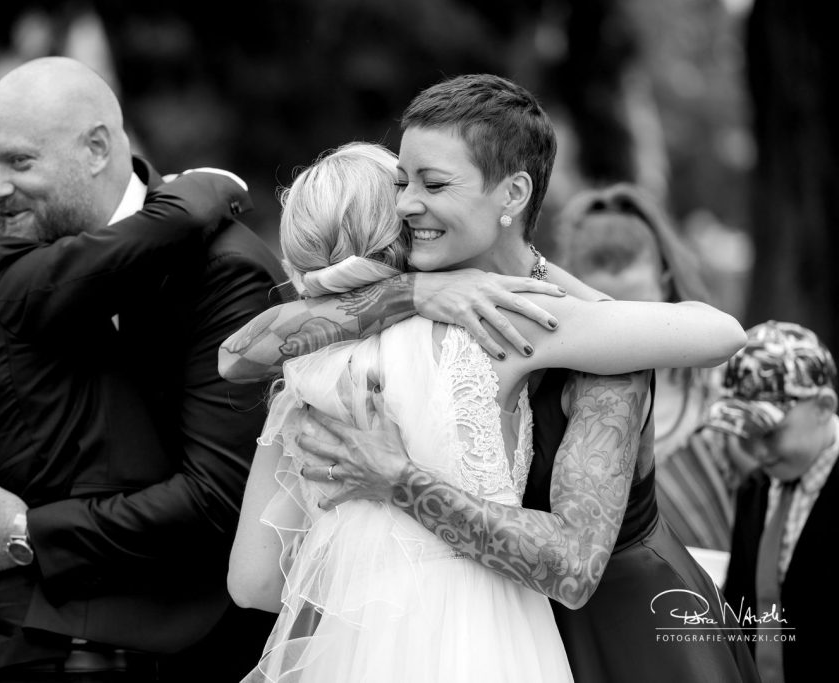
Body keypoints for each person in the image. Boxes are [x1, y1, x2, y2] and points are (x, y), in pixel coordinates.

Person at [221, 74, 759, 682]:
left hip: (629, 635)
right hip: (494, 627)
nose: (404, 205)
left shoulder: (564, 328)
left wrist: (398, 481)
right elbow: (235, 357)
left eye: (434, 184)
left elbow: (720, 333)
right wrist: (416, 291)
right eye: (401, 182)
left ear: (512, 195)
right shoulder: (406, 312)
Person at [0, 58, 282, 683]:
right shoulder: (19, 242)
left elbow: (219, 498)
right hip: (8, 638)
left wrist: (28, 532)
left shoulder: (222, 269)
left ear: (96, 149)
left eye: (19, 162)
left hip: (169, 646)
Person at [554, 182, 758, 551]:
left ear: (666, 282)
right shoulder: (555, 395)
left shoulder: (719, 387)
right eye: (609, 311)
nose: (630, 332)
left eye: (639, 308)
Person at [714, 321, 838, 683]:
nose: (758, 450)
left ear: (823, 407)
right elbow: (743, 599)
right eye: (747, 433)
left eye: (770, 432)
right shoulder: (756, 488)